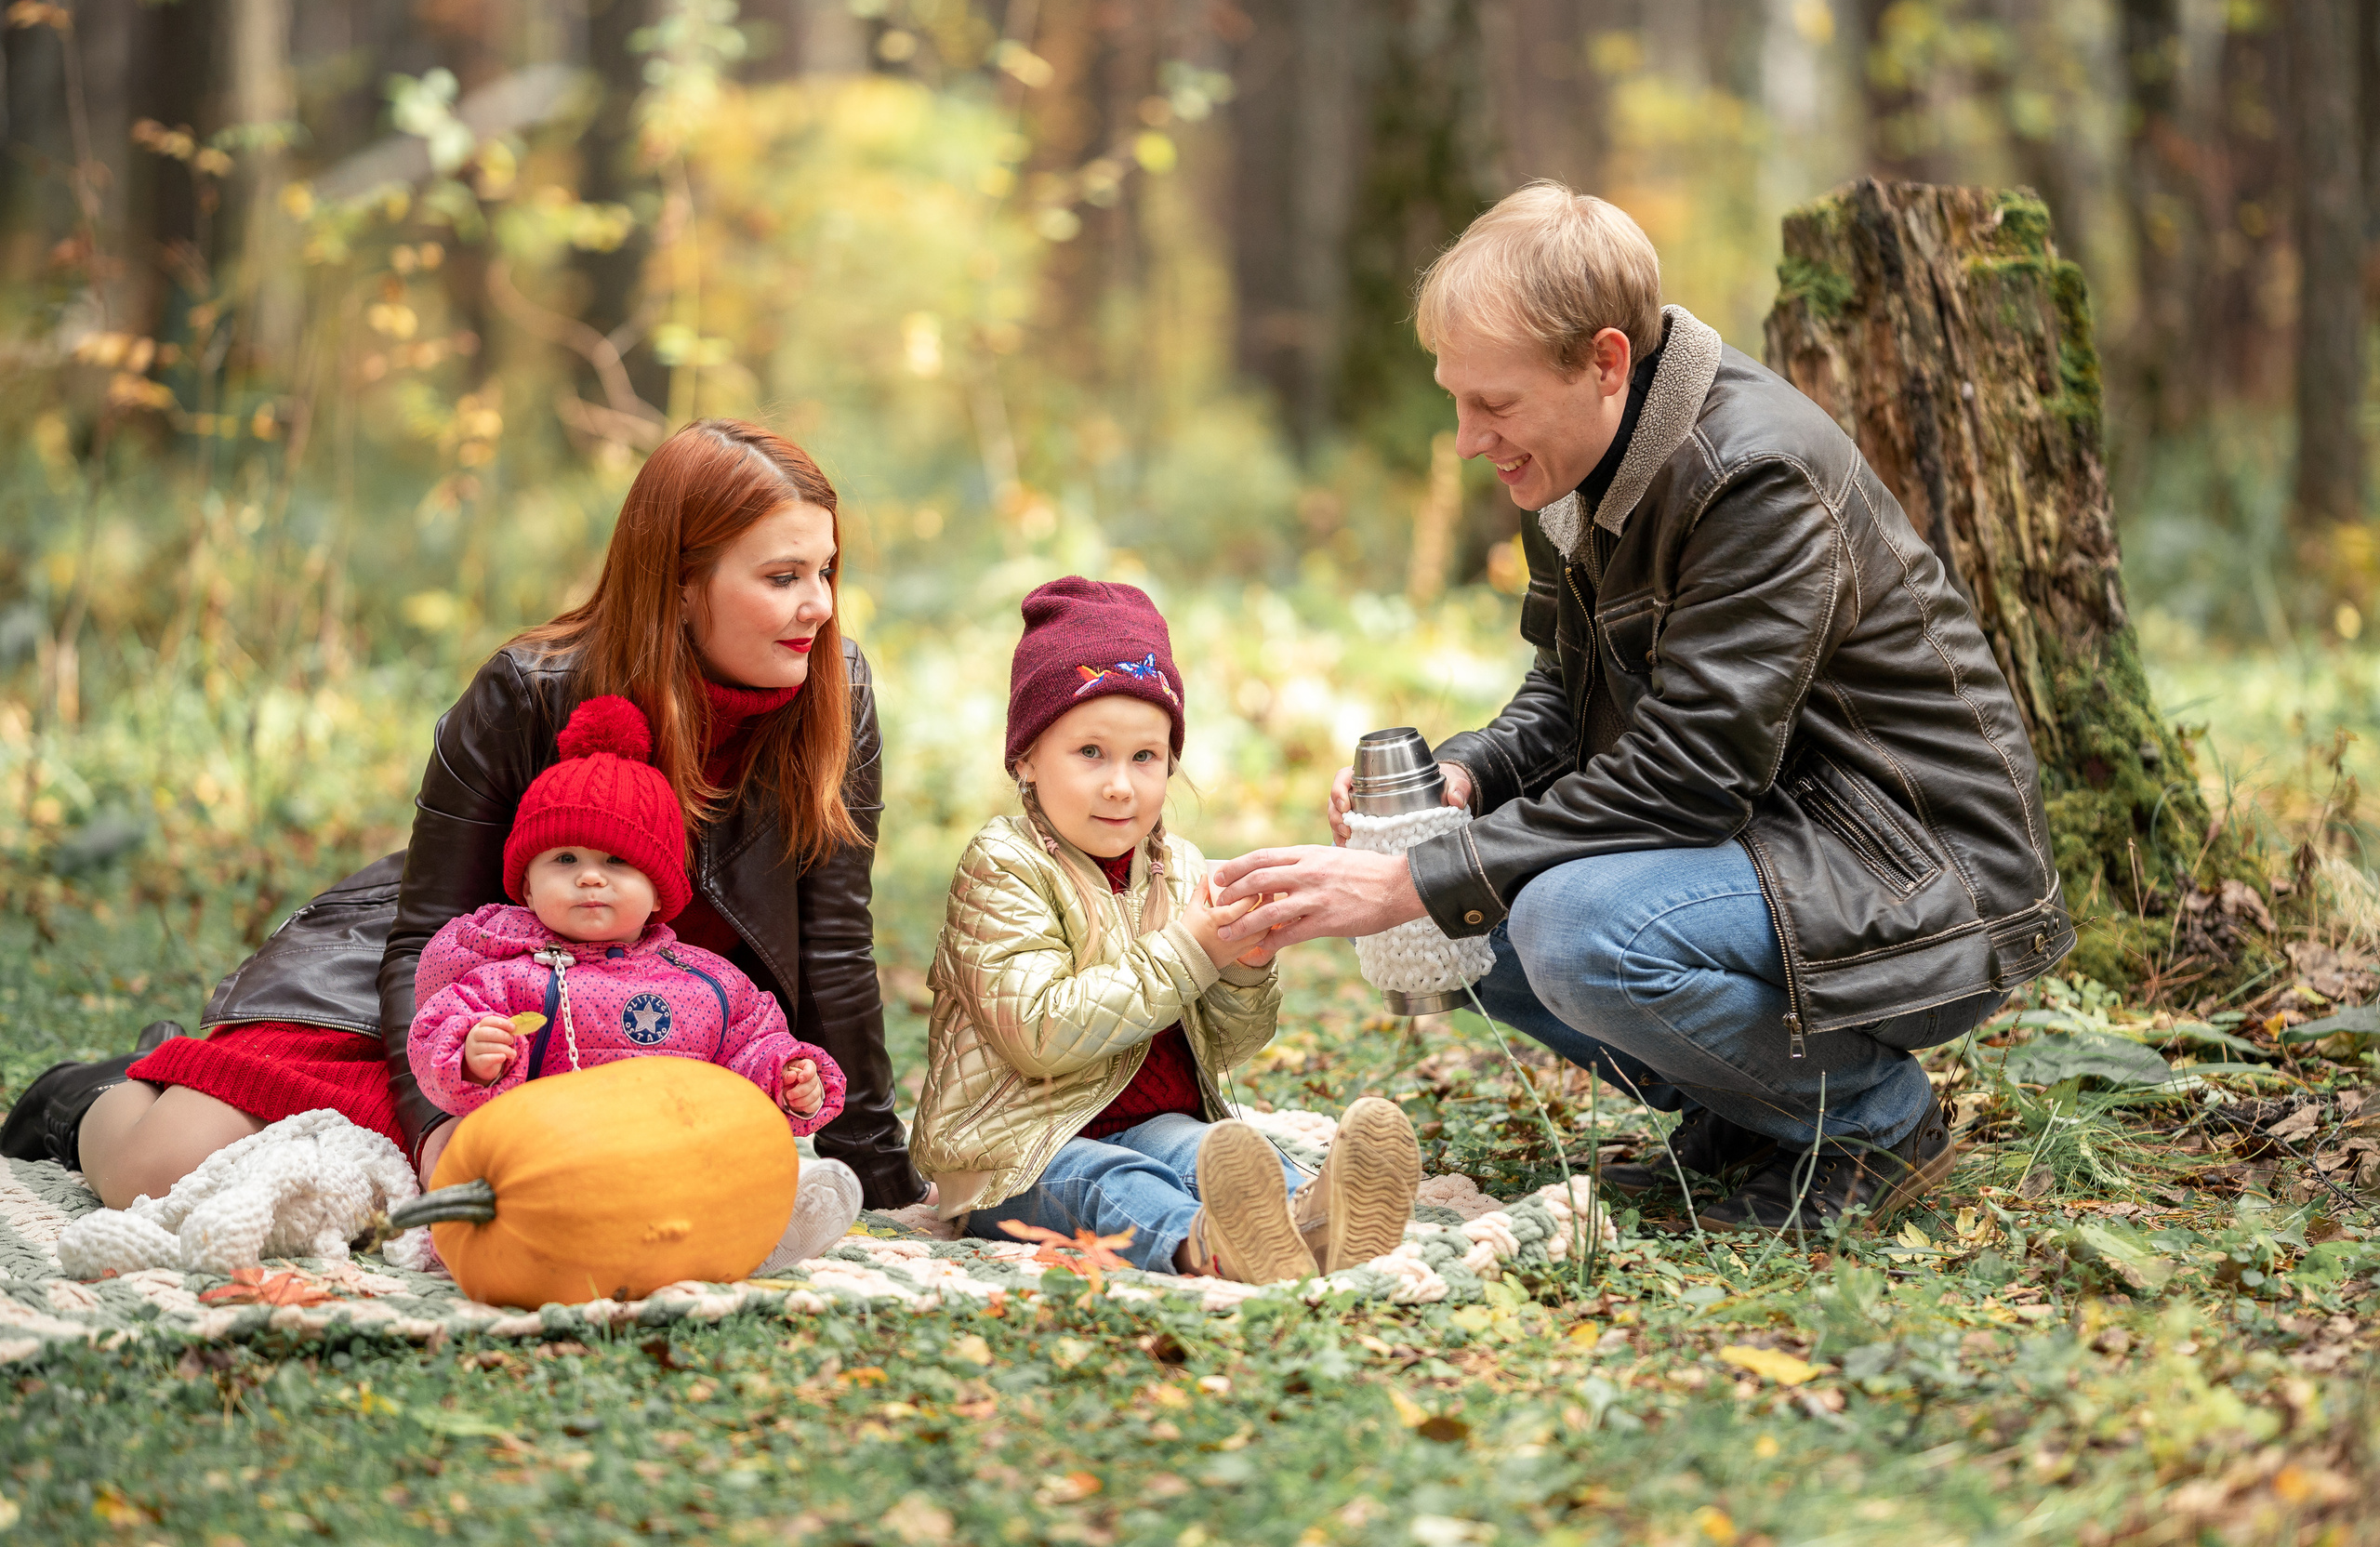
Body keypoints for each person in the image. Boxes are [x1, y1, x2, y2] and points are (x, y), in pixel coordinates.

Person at [1210, 183, 2074, 1239]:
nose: (1465, 440)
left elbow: (1691, 769)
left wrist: (1414, 876)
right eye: (1455, 398)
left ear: (1606, 361)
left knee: (1563, 924)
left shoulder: (1752, 474)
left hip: (1917, 864)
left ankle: (1870, 1124)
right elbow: (1567, 694)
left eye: (1494, 403)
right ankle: (1750, 1119)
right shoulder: (1576, 462)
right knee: (1467, 906)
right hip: (1764, 840)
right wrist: (1466, 779)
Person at [12, 420, 924, 1217]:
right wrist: (437, 1129)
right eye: (783, 575)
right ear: (682, 585)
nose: (820, 605)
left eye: (827, 570)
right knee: (163, 1168)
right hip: (457, 993)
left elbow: (835, 945)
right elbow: (421, 934)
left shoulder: (833, 692)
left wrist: (879, 1173)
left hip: (636, 1016)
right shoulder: (526, 686)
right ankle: (89, 1093)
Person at [908, 578, 1421, 1282]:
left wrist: (1241, 964)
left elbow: (1230, 1043)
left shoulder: (1177, 867)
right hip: (1017, 1149)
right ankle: (1212, 1244)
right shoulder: (1003, 866)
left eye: (1145, 757)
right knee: (1110, 1181)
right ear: (1026, 757)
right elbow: (1039, 1033)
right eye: (1091, 751)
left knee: (1216, 1148)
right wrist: (1190, 951)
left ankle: (1318, 1216)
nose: (1121, 784)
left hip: (1152, 1121)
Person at [407, 692, 860, 1268]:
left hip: (672, 1153)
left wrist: (786, 1077)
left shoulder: (706, 984)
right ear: (525, 885)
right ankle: (597, 1243)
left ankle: (763, 1219)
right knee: (515, 1186)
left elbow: (753, 1044)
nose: (590, 878)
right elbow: (432, 1036)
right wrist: (473, 1055)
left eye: (617, 863)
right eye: (564, 860)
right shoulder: (502, 977)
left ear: (660, 891)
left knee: (739, 1158)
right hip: (555, 1157)